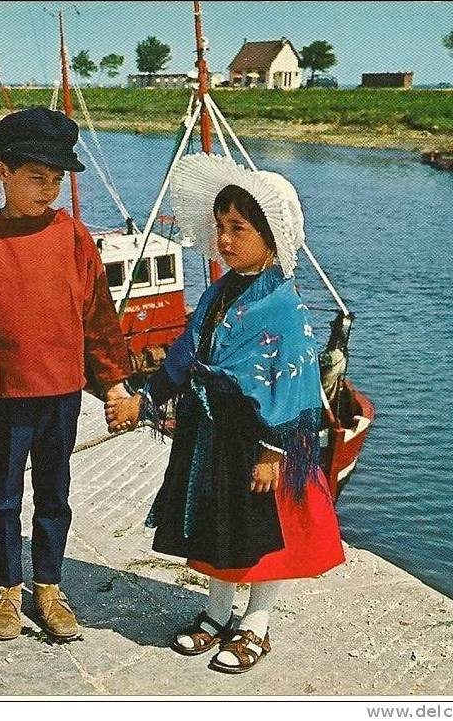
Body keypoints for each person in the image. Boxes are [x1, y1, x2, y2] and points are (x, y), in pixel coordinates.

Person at [106, 154, 345, 673]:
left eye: (238, 229)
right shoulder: (218, 292)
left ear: (271, 236)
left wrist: (273, 451)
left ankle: (257, 620)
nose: (225, 240)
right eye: (220, 228)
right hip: (212, 435)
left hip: (258, 441)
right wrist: (143, 400)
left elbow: (295, 382)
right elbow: (185, 354)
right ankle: (216, 613)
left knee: (263, 529)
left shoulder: (283, 305)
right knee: (219, 522)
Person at [0, 107, 132, 642]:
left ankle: (48, 584)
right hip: (5, 396)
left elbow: (99, 317)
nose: (47, 191)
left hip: (63, 395)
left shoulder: (74, 238)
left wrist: (115, 382)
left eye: (55, 180)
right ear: (1, 171)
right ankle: (5, 586)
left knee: (55, 491)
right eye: (34, 178)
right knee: (2, 494)